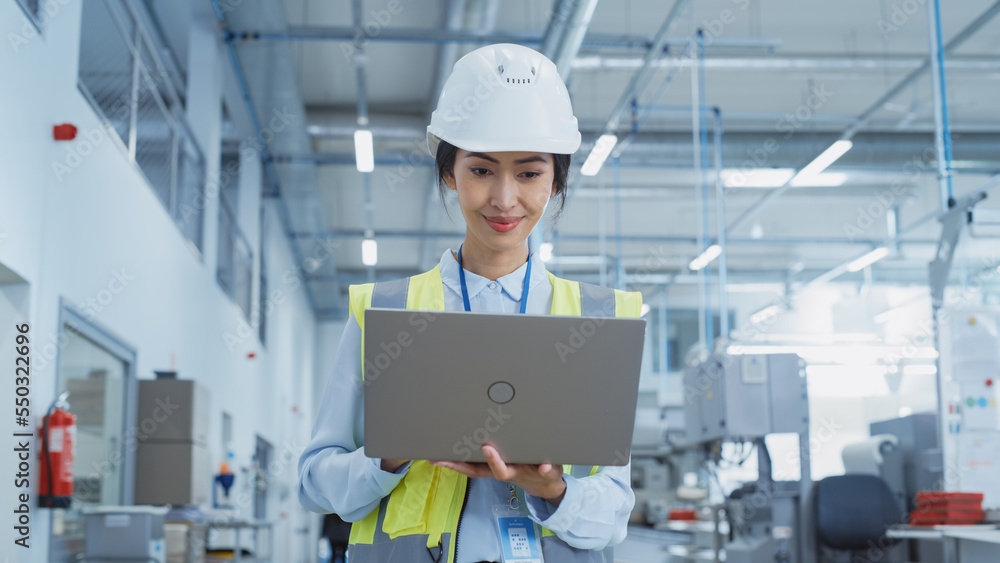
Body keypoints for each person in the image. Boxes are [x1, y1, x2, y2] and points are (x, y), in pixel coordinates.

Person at [297, 43, 642, 563]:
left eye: (529, 174)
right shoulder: (385, 311)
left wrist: (553, 490)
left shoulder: (597, 320)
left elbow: (614, 513)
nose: (504, 200)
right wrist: (387, 458)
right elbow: (315, 483)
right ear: (448, 173)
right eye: (481, 171)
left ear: (556, 180)